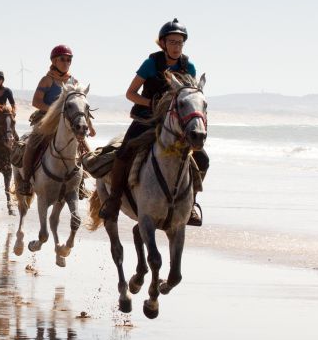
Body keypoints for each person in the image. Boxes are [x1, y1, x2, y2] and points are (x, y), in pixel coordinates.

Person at [99, 18, 208, 226]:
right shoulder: (151, 64)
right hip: (147, 119)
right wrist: (153, 104)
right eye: (173, 42)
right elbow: (130, 93)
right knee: (123, 152)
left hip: (175, 124)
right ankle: (113, 200)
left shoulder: (189, 66)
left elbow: (190, 95)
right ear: (164, 43)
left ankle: (190, 204)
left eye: (180, 42)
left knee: (203, 160)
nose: (177, 46)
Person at [16, 44, 95, 195]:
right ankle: (26, 181)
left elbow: (80, 107)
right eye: (62, 59)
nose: (66, 62)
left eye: (69, 60)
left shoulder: (74, 82)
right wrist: (55, 111)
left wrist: (90, 126)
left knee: (85, 149)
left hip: (68, 121)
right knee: (31, 144)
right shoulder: (47, 80)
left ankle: (80, 183)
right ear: (54, 61)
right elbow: (36, 102)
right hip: (47, 119)